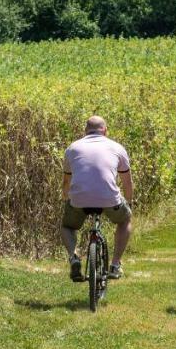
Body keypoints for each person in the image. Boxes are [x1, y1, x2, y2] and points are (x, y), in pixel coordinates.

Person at [61, 116, 132, 282]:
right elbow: (127, 182)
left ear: (85, 130)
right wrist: (129, 203)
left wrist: (66, 199)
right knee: (125, 220)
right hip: (109, 199)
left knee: (66, 226)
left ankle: (74, 257)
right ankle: (115, 265)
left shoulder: (72, 148)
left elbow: (66, 181)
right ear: (105, 130)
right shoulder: (117, 147)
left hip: (79, 199)